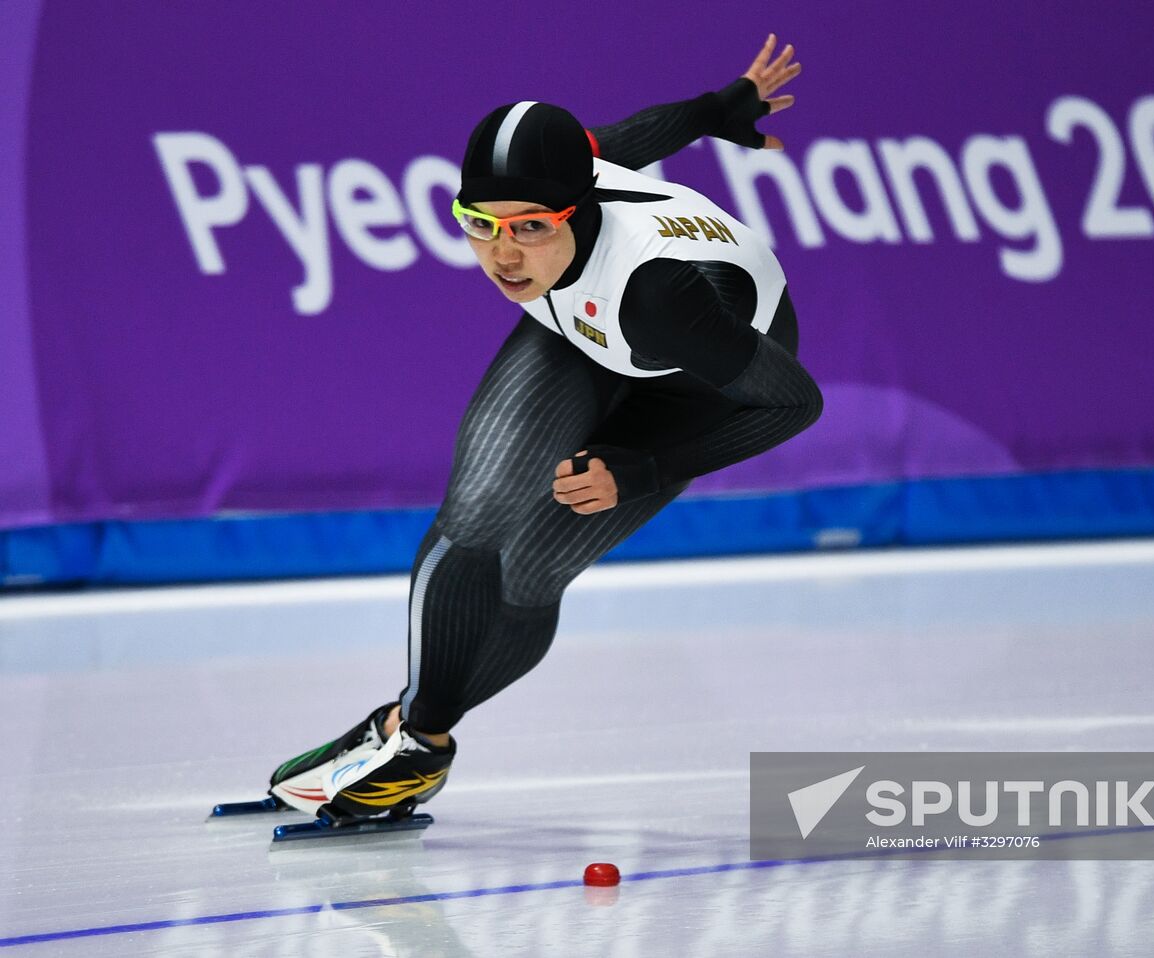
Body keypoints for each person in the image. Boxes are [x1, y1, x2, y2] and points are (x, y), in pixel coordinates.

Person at [266, 36, 822, 823]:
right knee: (473, 520)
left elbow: (796, 402)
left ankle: (413, 736)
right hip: (586, 332)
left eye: (530, 227)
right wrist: (719, 108)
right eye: (478, 224)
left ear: (578, 208)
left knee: (529, 573)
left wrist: (652, 465)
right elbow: (635, 135)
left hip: (698, 383)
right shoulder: (570, 174)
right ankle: (411, 731)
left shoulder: (661, 296)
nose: (503, 255)